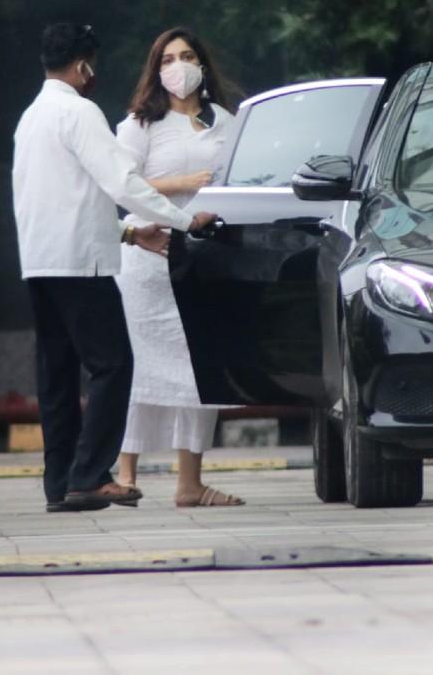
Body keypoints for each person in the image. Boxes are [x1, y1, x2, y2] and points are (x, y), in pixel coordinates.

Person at [12, 22, 217, 513]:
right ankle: (91, 476)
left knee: (57, 376)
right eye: (92, 67)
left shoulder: (31, 118)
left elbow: (64, 196)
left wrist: (130, 232)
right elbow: (122, 184)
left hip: (40, 262)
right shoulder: (79, 113)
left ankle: (59, 483)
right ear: (83, 66)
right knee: (113, 365)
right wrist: (186, 221)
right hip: (82, 265)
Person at [115, 26, 245, 507]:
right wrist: (183, 182)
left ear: (203, 64)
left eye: (187, 56)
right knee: (137, 366)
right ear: (155, 69)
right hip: (148, 259)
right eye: (167, 59)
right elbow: (122, 183)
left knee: (198, 367)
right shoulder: (138, 125)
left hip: (202, 259)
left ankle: (190, 482)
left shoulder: (226, 124)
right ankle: (124, 474)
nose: (178, 66)